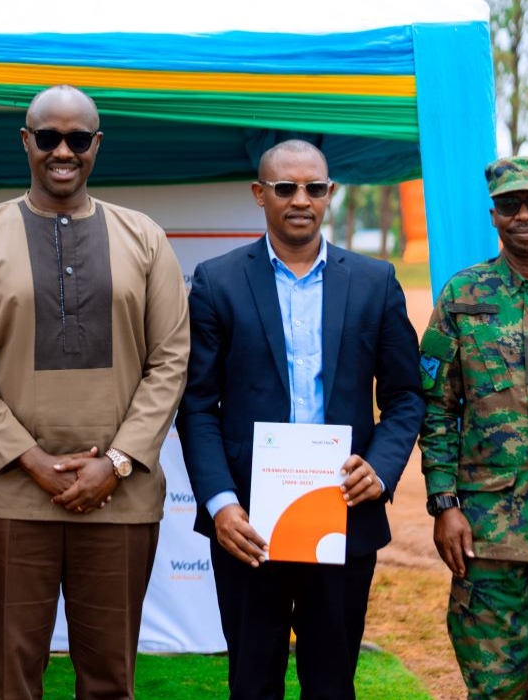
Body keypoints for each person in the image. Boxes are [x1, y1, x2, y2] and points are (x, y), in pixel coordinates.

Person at [0, 84, 190, 700]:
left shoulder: (145, 237)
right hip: (8, 496)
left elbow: (171, 359)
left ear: (97, 145)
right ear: (26, 141)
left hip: (119, 497)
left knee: (109, 678)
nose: (62, 151)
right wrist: (32, 461)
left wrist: (118, 461)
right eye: (48, 137)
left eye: (78, 139)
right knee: (11, 679)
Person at [176, 140, 423, 700]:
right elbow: (196, 404)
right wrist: (221, 506)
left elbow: (406, 395)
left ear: (330, 195)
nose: (300, 200)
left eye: (314, 188)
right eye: (285, 188)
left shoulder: (374, 281)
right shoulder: (217, 282)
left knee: (332, 683)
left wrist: (381, 470)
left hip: (342, 513)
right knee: (253, 682)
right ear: (260, 194)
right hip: (248, 525)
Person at [419, 155, 528, 699]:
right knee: (495, 686)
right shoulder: (463, 296)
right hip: (488, 531)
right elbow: (436, 410)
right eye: (509, 205)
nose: (522, 215)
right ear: (493, 215)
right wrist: (445, 504)